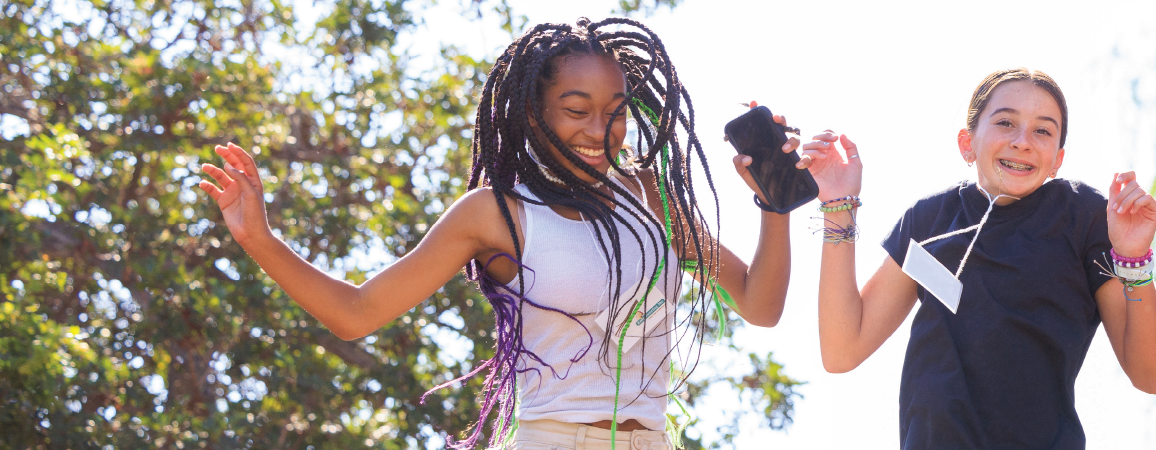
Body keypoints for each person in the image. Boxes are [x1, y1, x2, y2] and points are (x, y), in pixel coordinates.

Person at [194, 18, 796, 450]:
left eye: (615, 110)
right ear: (536, 114)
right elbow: (356, 313)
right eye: (577, 108)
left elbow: (760, 305)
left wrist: (774, 205)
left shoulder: (652, 202)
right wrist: (259, 239)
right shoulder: (495, 214)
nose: (600, 128)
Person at [798, 68, 1156, 449]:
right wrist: (837, 205)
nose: (1023, 141)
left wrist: (1134, 258)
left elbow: (1152, 376)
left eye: (1043, 130)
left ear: (1058, 158)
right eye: (1006, 122)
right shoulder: (929, 219)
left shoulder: (1083, 215)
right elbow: (842, 350)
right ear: (967, 143)